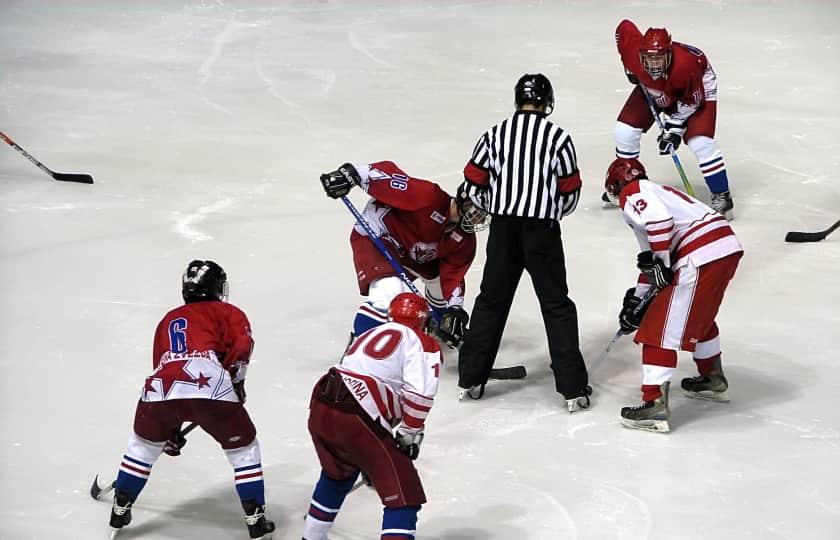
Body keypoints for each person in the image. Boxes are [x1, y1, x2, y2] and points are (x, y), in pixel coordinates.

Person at [107, 260, 274, 539]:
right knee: (243, 449)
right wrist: (235, 382)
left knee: (143, 446)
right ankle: (255, 520)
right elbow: (242, 346)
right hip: (211, 388)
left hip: (160, 391)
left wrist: (168, 430)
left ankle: (120, 510)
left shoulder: (169, 318)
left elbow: (162, 365)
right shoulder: (228, 311)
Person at [456, 73, 591, 412]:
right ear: (548, 102)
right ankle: (573, 389)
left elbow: (472, 182)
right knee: (556, 305)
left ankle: (472, 379)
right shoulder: (558, 137)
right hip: (541, 231)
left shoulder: (495, 134)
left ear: (517, 100)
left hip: (503, 231)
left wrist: (495, 206)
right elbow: (570, 191)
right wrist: (549, 212)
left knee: (491, 301)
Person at [604, 158, 743, 433]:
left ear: (616, 185)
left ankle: (653, 404)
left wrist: (662, 265)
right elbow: (651, 258)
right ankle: (712, 378)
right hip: (723, 248)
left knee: (658, 328)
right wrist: (637, 298)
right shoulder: (659, 191)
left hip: (700, 254)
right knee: (698, 318)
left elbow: (659, 225)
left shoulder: (634, 192)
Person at [302, 292, 441, 540]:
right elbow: (420, 396)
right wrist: (409, 433)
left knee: (337, 475)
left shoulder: (367, 334)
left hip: (322, 402)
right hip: (357, 416)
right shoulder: (421, 342)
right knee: (404, 497)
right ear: (422, 320)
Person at [319, 160, 488, 349]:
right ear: (463, 200)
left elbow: (453, 278)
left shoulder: (465, 240)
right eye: (476, 211)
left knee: (440, 287)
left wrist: (454, 310)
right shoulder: (428, 197)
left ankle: (438, 327)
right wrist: (350, 174)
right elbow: (390, 176)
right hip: (380, 236)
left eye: (484, 215)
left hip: (412, 253)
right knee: (389, 291)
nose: (479, 219)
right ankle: (357, 352)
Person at [605, 19, 735, 219]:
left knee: (700, 143)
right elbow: (623, 27)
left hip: (696, 90)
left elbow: (693, 101)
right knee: (625, 131)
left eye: (659, 60)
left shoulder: (686, 66)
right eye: (649, 60)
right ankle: (628, 185)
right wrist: (628, 67)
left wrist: (674, 130)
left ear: (669, 54)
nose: (654, 65)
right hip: (656, 88)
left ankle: (722, 195)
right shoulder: (633, 53)